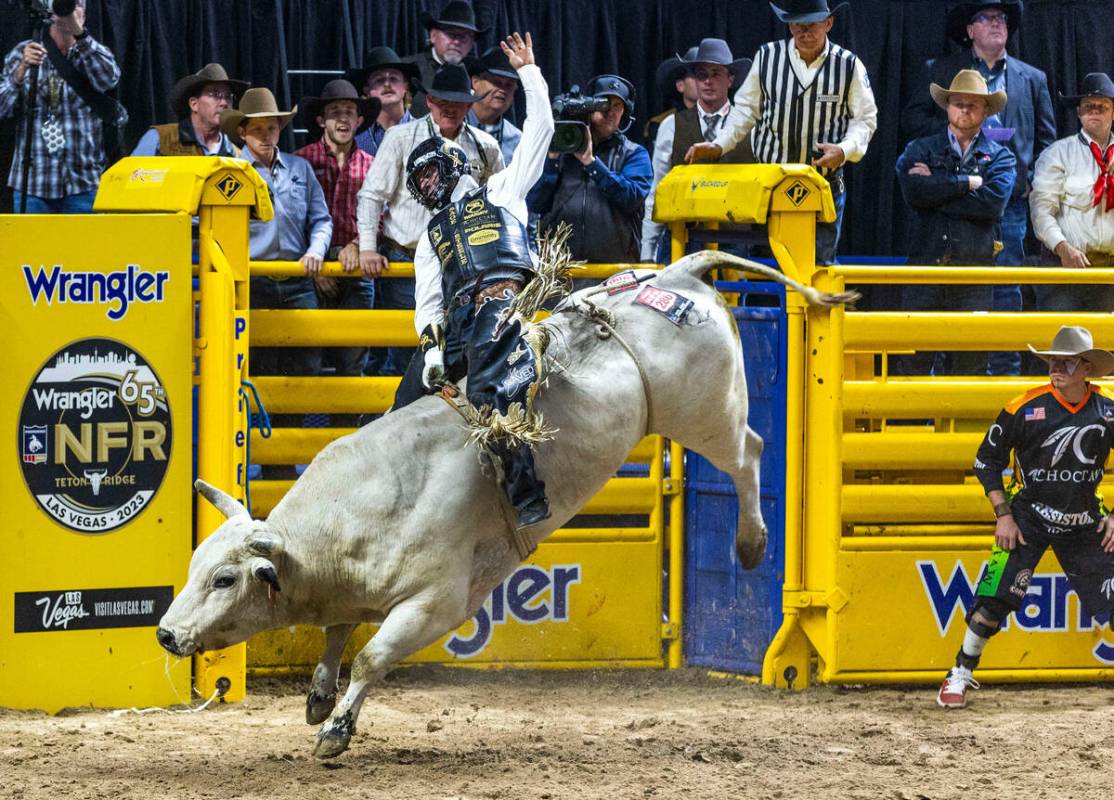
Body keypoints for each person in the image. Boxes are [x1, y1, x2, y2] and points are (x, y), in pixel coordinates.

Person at [393, 31, 553, 531]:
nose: (427, 186)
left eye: (429, 174)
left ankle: (526, 496)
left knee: (487, 388)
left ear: (453, 165)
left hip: (502, 303)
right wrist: (434, 351)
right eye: (420, 182)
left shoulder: (505, 189)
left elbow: (541, 127)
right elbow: (427, 303)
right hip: (459, 320)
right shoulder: (429, 237)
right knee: (402, 403)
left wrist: (530, 72)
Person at [937, 325, 1114, 708]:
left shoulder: (1108, 410)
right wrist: (1003, 514)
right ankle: (960, 671)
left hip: (1085, 518)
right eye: (1053, 361)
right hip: (1026, 517)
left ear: (1086, 369)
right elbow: (986, 460)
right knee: (991, 603)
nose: (1056, 368)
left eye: (1066, 363)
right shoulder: (1023, 407)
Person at [901, 0, 1055, 376]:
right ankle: (932, 391)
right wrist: (962, 131)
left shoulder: (1031, 77)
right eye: (987, 18)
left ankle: (1001, 383)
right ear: (970, 30)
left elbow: (1046, 140)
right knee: (943, 292)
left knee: (1004, 292)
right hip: (945, 204)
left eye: (1002, 18)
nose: (997, 24)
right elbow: (912, 120)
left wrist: (1031, 180)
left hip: (1010, 203)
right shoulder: (941, 70)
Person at [685, 0, 877, 265]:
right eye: (798, 24)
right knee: (768, 264)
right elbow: (745, 110)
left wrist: (844, 150)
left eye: (812, 24)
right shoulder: (767, 56)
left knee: (820, 265)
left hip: (823, 183)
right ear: (788, 24)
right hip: (771, 182)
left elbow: (865, 119)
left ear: (828, 23)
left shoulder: (848, 64)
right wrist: (720, 144)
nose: (805, 32)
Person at [356, 64, 503, 377]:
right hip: (406, 259)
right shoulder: (400, 137)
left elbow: (499, 202)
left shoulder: (485, 147)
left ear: (469, 105)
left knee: (455, 348)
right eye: (443, 101)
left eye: (458, 102)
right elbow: (372, 195)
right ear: (431, 102)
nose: (450, 108)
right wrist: (368, 248)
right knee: (405, 352)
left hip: (461, 266)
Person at [220, 88, 332, 474]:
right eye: (259, 129)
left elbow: (321, 218)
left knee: (307, 366)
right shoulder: (229, 172)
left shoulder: (299, 169)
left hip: (298, 278)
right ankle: (266, 459)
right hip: (256, 281)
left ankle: (287, 452)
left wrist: (316, 249)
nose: (267, 135)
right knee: (262, 368)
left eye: (273, 127)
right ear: (243, 133)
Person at [895, 70, 1015, 376]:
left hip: (973, 276)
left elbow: (993, 203)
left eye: (973, 104)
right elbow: (913, 192)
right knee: (914, 363)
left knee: (971, 364)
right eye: (958, 103)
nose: (965, 109)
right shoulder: (919, 149)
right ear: (947, 106)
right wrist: (968, 183)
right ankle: (910, 426)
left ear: (986, 110)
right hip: (924, 272)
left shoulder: (1001, 157)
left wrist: (937, 187)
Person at [294, 79, 379, 401]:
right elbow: (291, 219)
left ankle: (345, 433)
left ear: (359, 120)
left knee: (353, 359)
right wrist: (316, 267)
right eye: (334, 112)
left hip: (355, 263)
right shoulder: (300, 162)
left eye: (349, 112)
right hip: (311, 263)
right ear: (321, 120)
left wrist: (358, 245)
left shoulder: (373, 166)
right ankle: (298, 442)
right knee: (306, 360)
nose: (342, 119)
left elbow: (381, 214)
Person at [0, 0, 120, 213]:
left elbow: (108, 79)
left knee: (84, 247)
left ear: (85, 14)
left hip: (83, 183)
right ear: (50, 12)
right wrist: (20, 71)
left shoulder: (94, 53)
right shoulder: (25, 52)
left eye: (79, 5)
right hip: (34, 183)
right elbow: (2, 109)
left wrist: (78, 32)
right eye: (65, 4)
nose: (71, 10)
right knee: (34, 247)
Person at [641, 39, 752, 263]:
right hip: (682, 238)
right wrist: (647, 251)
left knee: (728, 297)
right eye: (701, 74)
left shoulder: (750, 127)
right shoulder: (671, 126)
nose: (708, 81)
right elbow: (658, 190)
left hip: (734, 239)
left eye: (716, 74)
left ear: (730, 79)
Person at [529, 73, 652, 264]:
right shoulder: (560, 149)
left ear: (624, 113)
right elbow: (534, 203)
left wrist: (591, 162)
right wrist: (552, 159)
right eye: (603, 103)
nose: (609, 111)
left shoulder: (634, 154)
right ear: (588, 107)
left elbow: (631, 198)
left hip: (614, 272)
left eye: (617, 106)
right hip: (560, 271)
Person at [1029, 73, 1114, 313]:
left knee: (1108, 346)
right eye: (1088, 107)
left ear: (1113, 113)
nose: (1094, 111)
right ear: (1078, 113)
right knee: (1063, 345)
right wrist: (1062, 247)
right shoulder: (1057, 153)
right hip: (1064, 268)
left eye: (1102, 106)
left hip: (1110, 272)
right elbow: (1041, 210)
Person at [132, 63, 246, 157]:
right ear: (194, 104)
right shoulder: (160, 139)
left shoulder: (235, 155)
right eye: (215, 95)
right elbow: (131, 178)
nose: (224, 103)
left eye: (228, 97)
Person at [403, 0, 482, 119]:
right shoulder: (406, 69)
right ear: (433, 36)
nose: (456, 42)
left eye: (463, 37)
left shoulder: (478, 78)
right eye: (451, 34)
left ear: (471, 45)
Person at [346, 46, 418, 157]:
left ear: (406, 86)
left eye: (393, 78)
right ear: (366, 90)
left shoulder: (424, 134)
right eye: (379, 80)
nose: (387, 84)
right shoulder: (354, 138)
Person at [465, 46, 522, 164]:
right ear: (475, 82)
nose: (502, 90)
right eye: (496, 82)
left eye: (509, 85)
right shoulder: (451, 124)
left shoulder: (517, 140)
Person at [643, 46, 700, 146]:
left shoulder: (730, 121)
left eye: (714, 76)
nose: (706, 82)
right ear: (680, 85)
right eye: (697, 76)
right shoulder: (661, 124)